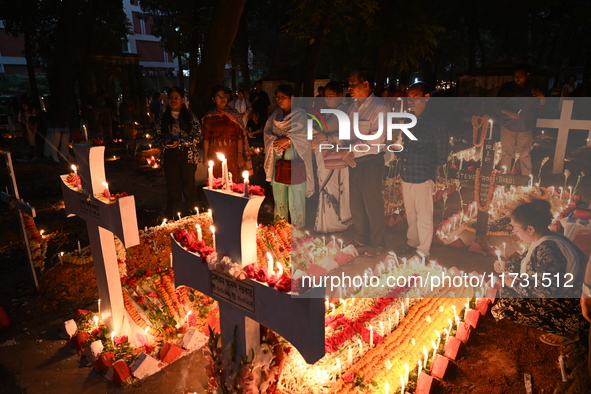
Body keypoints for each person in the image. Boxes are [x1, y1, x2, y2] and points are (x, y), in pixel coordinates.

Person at [491, 200, 588, 346]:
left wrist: (516, 283)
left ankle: (566, 330)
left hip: (573, 311)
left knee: (506, 305)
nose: (515, 233)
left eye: (516, 229)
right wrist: (507, 265)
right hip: (570, 300)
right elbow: (526, 261)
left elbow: (547, 291)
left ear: (530, 229)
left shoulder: (548, 249)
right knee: (507, 289)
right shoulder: (547, 238)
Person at [397, 82, 449, 259]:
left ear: (426, 97)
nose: (411, 101)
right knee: (410, 213)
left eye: (415, 97)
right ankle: (412, 242)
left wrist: (435, 166)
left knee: (424, 215)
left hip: (423, 174)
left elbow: (443, 148)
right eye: (409, 97)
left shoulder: (435, 120)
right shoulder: (408, 118)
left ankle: (423, 251)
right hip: (407, 172)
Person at [345, 68, 388, 257]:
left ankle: (378, 243)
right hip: (354, 162)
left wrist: (350, 149)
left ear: (366, 85)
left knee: (372, 203)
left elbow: (376, 139)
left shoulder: (379, 107)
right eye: (349, 84)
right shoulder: (353, 107)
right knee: (356, 203)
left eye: (353, 84)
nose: (349, 87)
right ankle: (362, 236)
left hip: (371, 162)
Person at [263, 84, 314, 228]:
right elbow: (267, 132)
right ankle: (280, 229)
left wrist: (290, 140)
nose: (280, 100)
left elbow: (304, 136)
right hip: (278, 159)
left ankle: (298, 230)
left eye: (283, 97)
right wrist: (275, 140)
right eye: (278, 97)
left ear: (292, 98)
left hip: (294, 159)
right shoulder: (276, 115)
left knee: (295, 195)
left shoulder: (300, 115)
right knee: (279, 195)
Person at [154, 86, 202, 219]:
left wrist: (180, 142)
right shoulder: (163, 118)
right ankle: (174, 214)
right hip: (170, 157)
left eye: (176, 98)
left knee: (189, 186)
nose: (173, 100)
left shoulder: (190, 117)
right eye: (171, 98)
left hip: (188, 156)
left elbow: (198, 137)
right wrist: (164, 142)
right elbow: (157, 137)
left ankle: (193, 213)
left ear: (182, 100)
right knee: (173, 187)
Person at [311, 81, 352, 233]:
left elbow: (347, 136)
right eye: (326, 96)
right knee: (325, 187)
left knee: (334, 187)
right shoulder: (328, 111)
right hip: (325, 154)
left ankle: (338, 223)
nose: (328, 99)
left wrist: (325, 137)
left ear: (339, 96)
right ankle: (325, 224)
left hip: (337, 155)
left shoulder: (345, 111)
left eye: (331, 96)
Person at [497, 64, 545, 176]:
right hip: (508, 125)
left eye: (520, 76)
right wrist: (508, 112)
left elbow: (541, 105)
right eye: (515, 76)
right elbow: (497, 104)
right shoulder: (507, 87)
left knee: (525, 154)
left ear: (528, 75)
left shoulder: (534, 87)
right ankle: (504, 178)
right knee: (506, 153)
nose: (517, 78)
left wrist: (543, 97)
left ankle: (526, 179)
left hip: (525, 125)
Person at [202, 86, 252, 182]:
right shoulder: (209, 116)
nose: (222, 99)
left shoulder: (234, 115)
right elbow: (206, 138)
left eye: (224, 96)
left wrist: (240, 155)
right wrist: (205, 157)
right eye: (218, 97)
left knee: (232, 179)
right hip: (214, 154)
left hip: (232, 154)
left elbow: (240, 137)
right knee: (217, 180)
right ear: (213, 99)